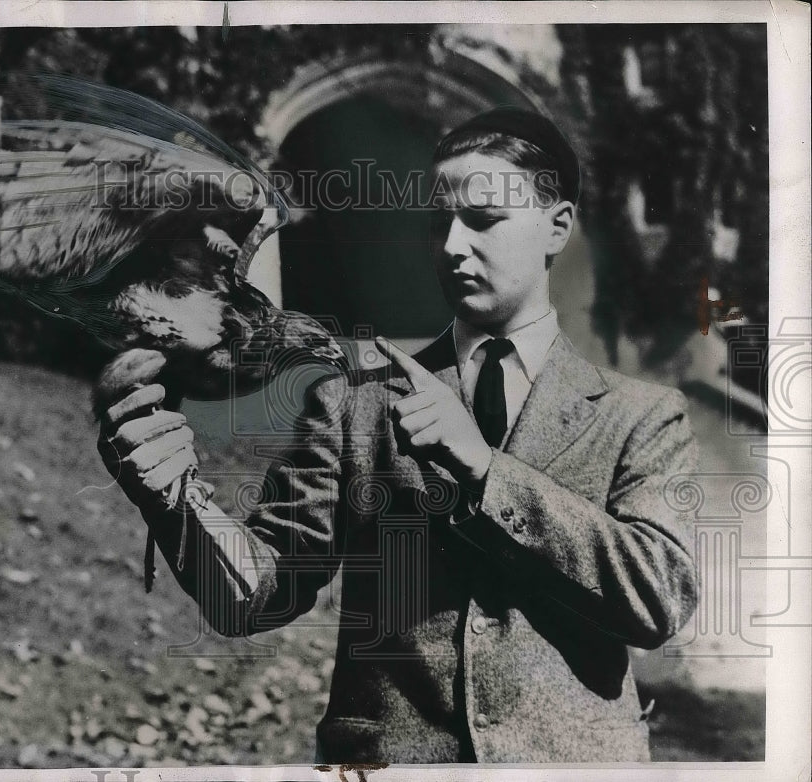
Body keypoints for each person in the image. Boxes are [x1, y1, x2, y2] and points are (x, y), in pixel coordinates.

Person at [96, 107, 699, 763]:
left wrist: (486, 471)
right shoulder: (354, 401)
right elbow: (256, 600)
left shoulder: (642, 414)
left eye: (483, 219)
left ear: (557, 228)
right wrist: (175, 499)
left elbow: (658, 602)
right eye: (438, 222)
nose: (451, 246)